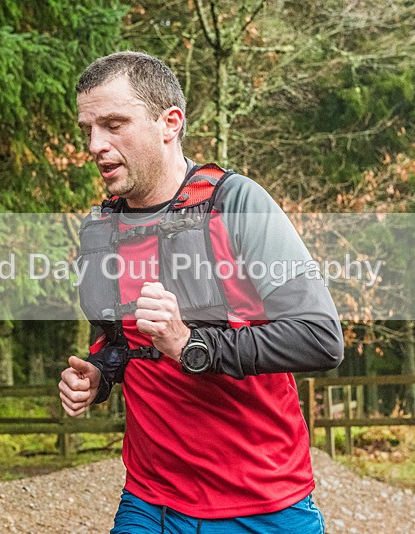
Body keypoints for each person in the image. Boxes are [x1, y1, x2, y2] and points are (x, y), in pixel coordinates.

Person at [58, 51, 343, 533]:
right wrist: (98, 375)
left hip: (263, 504)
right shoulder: (101, 229)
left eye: (114, 125)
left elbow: (320, 338)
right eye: (88, 129)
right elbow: (121, 343)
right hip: (150, 502)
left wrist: (191, 344)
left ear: (169, 123)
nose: (95, 145)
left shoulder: (238, 204)